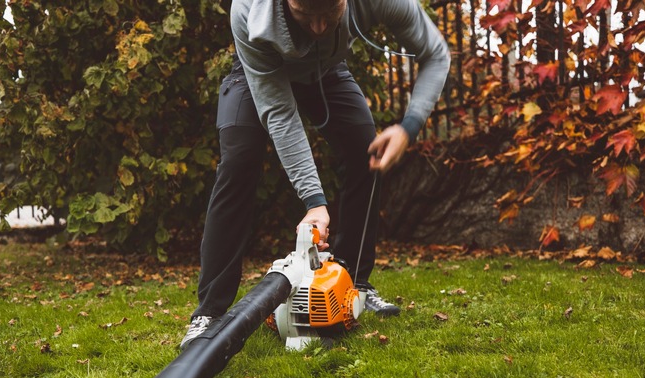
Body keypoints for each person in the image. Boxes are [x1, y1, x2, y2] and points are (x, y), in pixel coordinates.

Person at [181, 0, 450, 349]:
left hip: (326, 71)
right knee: (239, 160)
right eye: (307, 16)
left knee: (364, 148)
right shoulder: (249, 10)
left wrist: (409, 126)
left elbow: (435, 54)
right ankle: (209, 313)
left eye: (330, 15)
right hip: (259, 72)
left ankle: (354, 285)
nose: (320, 27)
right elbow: (279, 111)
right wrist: (315, 202)